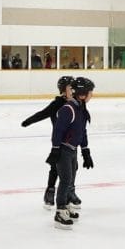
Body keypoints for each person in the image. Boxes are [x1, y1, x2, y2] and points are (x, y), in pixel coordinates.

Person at [23, 77, 77, 209]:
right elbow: (43, 114)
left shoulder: (76, 103)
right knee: (55, 167)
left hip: (72, 141)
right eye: (70, 88)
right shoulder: (57, 104)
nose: (73, 91)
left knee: (73, 167)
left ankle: (70, 192)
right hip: (59, 142)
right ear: (63, 90)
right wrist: (28, 121)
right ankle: (50, 192)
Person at [49, 78, 96, 229]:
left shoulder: (80, 109)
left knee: (70, 180)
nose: (92, 95)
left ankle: (66, 205)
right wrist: (55, 149)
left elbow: (82, 131)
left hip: (72, 150)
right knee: (65, 180)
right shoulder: (68, 109)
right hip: (63, 150)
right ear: (82, 94)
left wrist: (85, 151)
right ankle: (60, 212)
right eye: (90, 92)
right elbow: (57, 131)